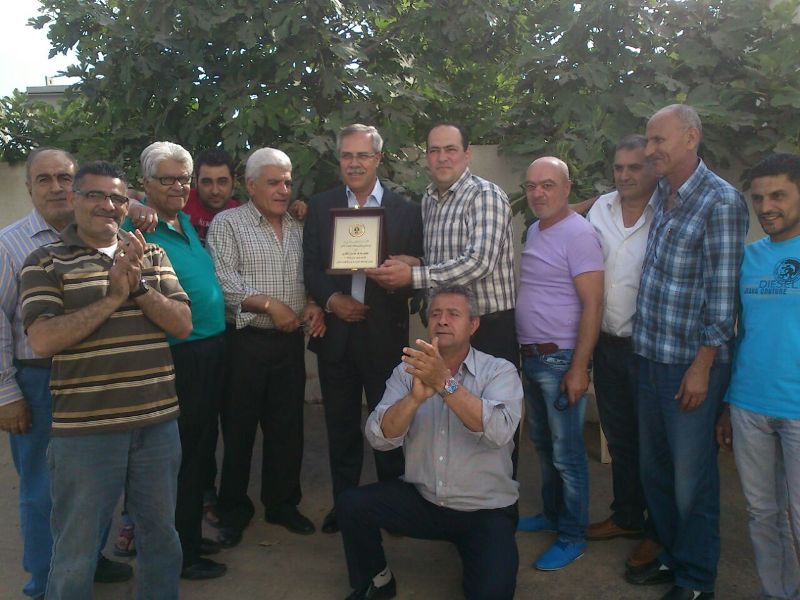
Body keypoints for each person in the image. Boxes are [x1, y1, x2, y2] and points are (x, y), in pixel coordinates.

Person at [20, 160, 192, 599]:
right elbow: (43, 339)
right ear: (74, 198)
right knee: (75, 549)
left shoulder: (151, 254)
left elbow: (182, 324)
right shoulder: (44, 261)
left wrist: (138, 288)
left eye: (116, 197)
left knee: (161, 537)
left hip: (156, 424)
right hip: (86, 431)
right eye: (95, 195)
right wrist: (113, 297)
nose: (107, 205)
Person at [626, 104, 748, 600]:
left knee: (690, 479)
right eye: (648, 140)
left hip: (689, 365)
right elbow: (616, 196)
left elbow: (722, 297)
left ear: (691, 137)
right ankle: (673, 556)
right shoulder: (663, 192)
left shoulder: (721, 201)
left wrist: (703, 366)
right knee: (654, 469)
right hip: (648, 355)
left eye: (659, 140)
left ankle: (697, 579)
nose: (650, 149)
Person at [0, 148, 133, 599]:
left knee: (98, 481)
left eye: (64, 178)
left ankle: (89, 560)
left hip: (98, 378)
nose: (55, 187)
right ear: (29, 188)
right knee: (45, 490)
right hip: (41, 381)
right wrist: (6, 393)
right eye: (44, 179)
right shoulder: (10, 245)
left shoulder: (104, 234)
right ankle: (45, 581)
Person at [338, 284, 522, 600]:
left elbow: (500, 432)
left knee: (491, 593)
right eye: (435, 314)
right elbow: (379, 438)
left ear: (473, 324)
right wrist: (413, 399)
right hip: (425, 500)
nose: (442, 320)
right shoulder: (406, 371)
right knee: (352, 505)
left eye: (453, 314)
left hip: (485, 510)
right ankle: (378, 580)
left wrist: (444, 384)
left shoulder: (499, 371)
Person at [303, 124, 423, 534]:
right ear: (339, 159)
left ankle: (393, 509)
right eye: (347, 155)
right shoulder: (321, 206)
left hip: (384, 336)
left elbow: (419, 270)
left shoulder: (406, 211)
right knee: (340, 430)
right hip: (335, 336)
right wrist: (332, 301)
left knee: (390, 426)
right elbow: (310, 266)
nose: (354, 163)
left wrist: (406, 270)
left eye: (362, 156)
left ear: (378, 160)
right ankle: (346, 506)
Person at [207, 147, 325, 547]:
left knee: (287, 429)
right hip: (245, 342)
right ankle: (233, 509)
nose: (283, 190)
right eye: (274, 183)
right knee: (238, 430)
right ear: (251, 185)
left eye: (288, 182)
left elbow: (311, 274)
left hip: (289, 344)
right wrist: (270, 305)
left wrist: (312, 301)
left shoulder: (298, 226)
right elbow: (223, 281)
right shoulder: (229, 223)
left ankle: (282, 504)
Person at [121, 141, 228, 579]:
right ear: (145, 183)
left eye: (183, 179)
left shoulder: (181, 221)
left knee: (199, 452)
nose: (178, 186)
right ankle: (179, 555)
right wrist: (129, 203)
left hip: (209, 350)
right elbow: (91, 204)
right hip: (177, 353)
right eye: (166, 179)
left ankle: (188, 536)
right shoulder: (135, 224)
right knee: (177, 458)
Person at [716, 153, 800, 600]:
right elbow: (740, 333)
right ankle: (776, 592)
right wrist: (728, 403)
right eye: (759, 198)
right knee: (762, 513)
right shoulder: (748, 259)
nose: (766, 207)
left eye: (779, 195)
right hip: (749, 404)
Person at [365, 123, 517, 365]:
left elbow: (478, 263)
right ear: (427, 156)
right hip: (445, 327)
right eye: (434, 150)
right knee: (446, 388)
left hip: (487, 327)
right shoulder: (430, 199)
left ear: (467, 154)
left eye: (451, 149)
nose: (442, 157)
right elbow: (445, 259)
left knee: (491, 391)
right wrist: (417, 262)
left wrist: (413, 276)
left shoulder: (484, 195)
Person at [515, 157, 604, 570]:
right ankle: (552, 515)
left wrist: (579, 368)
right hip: (532, 358)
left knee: (568, 455)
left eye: (548, 185)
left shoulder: (580, 235)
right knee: (545, 446)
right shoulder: (536, 229)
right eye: (532, 186)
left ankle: (572, 536)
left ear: (567, 188)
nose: (538, 193)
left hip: (561, 360)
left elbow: (593, 304)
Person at [585, 136, 660, 559]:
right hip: (607, 344)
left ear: (652, 168)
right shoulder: (601, 208)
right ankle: (627, 515)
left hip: (648, 349)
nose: (625, 175)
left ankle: (658, 529)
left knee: (654, 442)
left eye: (634, 167)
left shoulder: (668, 210)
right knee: (620, 437)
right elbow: (569, 216)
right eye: (619, 167)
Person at [182, 148, 240, 244]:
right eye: (207, 182)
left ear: (234, 181)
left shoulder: (240, 217)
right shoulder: (180, 203)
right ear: (195, 181)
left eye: (222, 182)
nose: (215, 191)